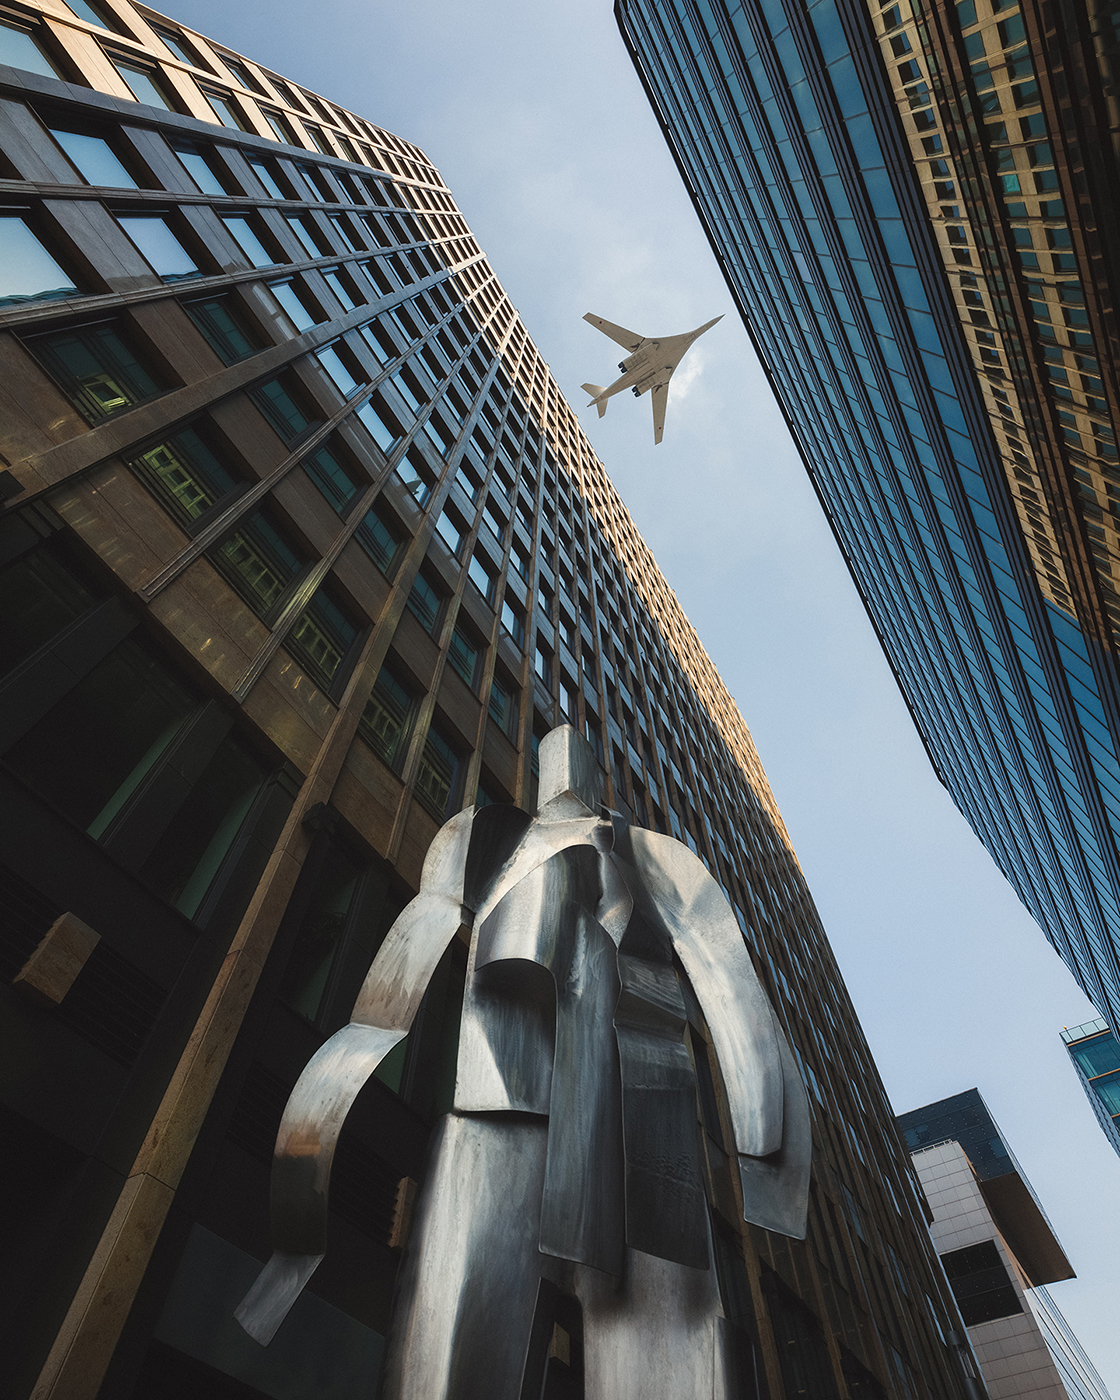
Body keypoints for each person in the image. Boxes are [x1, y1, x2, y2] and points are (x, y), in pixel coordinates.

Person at [237, 725, 810, 1399]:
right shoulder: (482, 837)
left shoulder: (646, 854)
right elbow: (386, 1002)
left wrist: (768, 1162)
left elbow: (733, 985)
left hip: (639, 1130)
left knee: (670, 1358)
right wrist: (299, 1220)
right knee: (451, 1360)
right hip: (494, 1117)